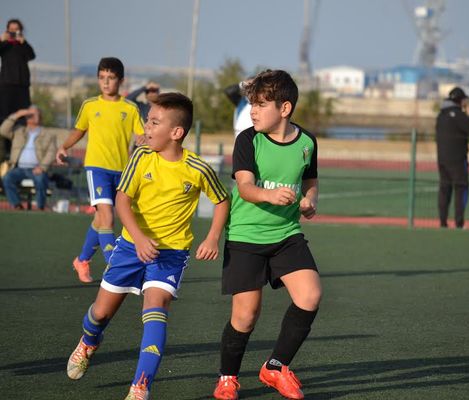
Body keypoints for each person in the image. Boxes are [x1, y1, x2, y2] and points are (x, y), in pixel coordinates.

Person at [65, 92, 230, 399]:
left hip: (171, 254)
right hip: (130, 247)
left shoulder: (198, 168)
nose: (147, 127)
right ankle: (88, 342)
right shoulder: (141, 157)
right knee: (100, 314)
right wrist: (139, 239)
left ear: (176, 132)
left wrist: (212, 237)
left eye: (154, 122)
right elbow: (122, 201)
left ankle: (140, 387)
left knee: (156, 310)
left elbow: (222, 200)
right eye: (147, 120)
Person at [213, 69, 321, 400]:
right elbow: (244, 188)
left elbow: (311, 182)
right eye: (251, 104)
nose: (253, 111)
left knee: (310, 295)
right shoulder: (248, 139)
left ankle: (275, 367)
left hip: (287, 234)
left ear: (285, 108)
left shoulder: (307, 142)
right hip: (246, 237)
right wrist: (269, 195)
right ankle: (228, 378)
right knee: (245, 316)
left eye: (261, 104)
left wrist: (309, 202)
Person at [56, 57, 145, 283]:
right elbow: (79, 130)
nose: (106, 82)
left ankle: (82, 260)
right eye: (102, 78)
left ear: (121, 81)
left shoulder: (130, 108)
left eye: (111, 78)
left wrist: (146, 142)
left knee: (100, 220)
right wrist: (64, 147)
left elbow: (141, 136)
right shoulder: (89, 105)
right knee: (107, 217)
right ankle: (114, 266)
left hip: (121, 170)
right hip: (96, 168)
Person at [435, 86, 469, 229]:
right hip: (458, 159)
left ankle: (443, 222)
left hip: (442, 158)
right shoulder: (459, 115)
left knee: (444, 189)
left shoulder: (441, 115)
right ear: (460, 101)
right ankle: (459, 223)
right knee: (461, 189)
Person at [0, 106, 57, 210]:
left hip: (37, 168)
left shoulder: (48, 134)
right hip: (19, 168)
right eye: (29, 114)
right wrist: (17, 115)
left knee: (40, 179)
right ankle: (17, 205)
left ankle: (40, 207)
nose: (31, 116)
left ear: (40, 117)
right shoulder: (19, 131)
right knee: (7, 178)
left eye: (34, 114)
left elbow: (51, 152)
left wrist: (42, 167)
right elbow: (3, 130)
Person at [0, 19, 35, 162]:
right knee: (5, 118)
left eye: (16, 30)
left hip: (22, 87)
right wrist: (3, 40)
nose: (14, 33)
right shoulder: (5, 45)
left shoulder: (22, 46)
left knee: (21, 119)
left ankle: (18, 152)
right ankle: (5, 151)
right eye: (11, 30)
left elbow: (31, 55)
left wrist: (23, 42)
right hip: (6, 86)